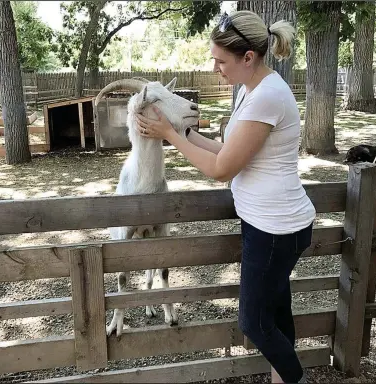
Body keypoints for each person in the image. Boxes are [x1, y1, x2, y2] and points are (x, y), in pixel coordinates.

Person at [135, 10, 315, 384]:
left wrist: (171, 135)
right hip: (269, 223)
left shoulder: (267, 96)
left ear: (248, 58)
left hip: (275, 228)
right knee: (277, 314)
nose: (214, 67)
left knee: (254, 322)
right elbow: (227, 150)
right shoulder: (254, 90)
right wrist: (180, 133)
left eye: (220, 61)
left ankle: (296, 379)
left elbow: (221, 170)